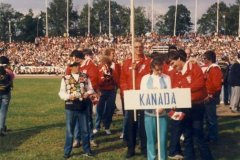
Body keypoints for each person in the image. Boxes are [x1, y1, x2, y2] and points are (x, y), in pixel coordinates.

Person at [168, 50, 214, 160]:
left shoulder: (194, 67)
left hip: (196, 106)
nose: (172, 67)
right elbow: (174, 89)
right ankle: (190, 157)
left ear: (179, 59)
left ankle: (207, 157)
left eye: (173, 63)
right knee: (187, 135)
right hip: (183, 107)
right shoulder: (175, 73)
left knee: (198, 135)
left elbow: (199, 84)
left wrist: (183, 90)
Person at [120, 40, 151, 158]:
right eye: (136, 47)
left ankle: (144, 148)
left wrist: (137, 70)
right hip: (131, 96)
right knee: (131, 123)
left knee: (144, 123)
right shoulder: (127, 62)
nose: (138, 49)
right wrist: (126, 92)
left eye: (140, 47)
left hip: (143, 97)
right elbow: (123, 80)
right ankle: (131, 147)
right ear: (132, 49)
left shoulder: (148, 62)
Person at [58, 62, 95, 159]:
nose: (78, 67)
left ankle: (87, 150)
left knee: (85, 130)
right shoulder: (65, 78)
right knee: (70, 131)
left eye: (78, 66)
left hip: (83, 106)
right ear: (71, 68)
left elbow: (91, 89)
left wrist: (87, 93)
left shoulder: (85, 76)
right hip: (70, 107)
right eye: (75, 66)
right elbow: (61, 92)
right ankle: (67, 152)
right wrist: (69, 96)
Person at [140, 58, 171, 160]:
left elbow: (169, 95)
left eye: (161, 69)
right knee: (151, 140)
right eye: (157, 69)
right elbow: (143, 96)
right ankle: (151, 158)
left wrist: (163, 107)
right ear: (152, 68)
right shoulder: (145, 78)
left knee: (162, 140)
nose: (160, 72)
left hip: (163, 114)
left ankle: (162, 158)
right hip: (149, 114)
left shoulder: (167, 78)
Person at [94, 48, 120, 135]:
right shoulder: (100, 66)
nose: (114, 55)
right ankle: (97, 126)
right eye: (112, 53)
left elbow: (118, 77)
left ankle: (107, 126)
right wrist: (97, 89)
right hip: (102, 90)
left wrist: (115, 83)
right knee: (99, 109)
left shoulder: (116, 65)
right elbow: (97, 77)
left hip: (112, 90)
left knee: (110, 109)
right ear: (108, 55)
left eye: (114, 53)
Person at [202, 50, 223, 143]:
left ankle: (213, 137)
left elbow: (216, 85)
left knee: (211, 119)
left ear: (209, 59)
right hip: (207, 96)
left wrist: (210, 95)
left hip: (210, 97)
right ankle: (209, 135)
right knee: (208, 118)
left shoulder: (215, 69)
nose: (203, 60)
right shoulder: (210, 68)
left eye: (205, 58)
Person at [0, 56, 14, 136]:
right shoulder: (9, 71)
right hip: (5, 92)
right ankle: (1, 128)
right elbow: (11, 81)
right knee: (3, 111)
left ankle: (2, 127)